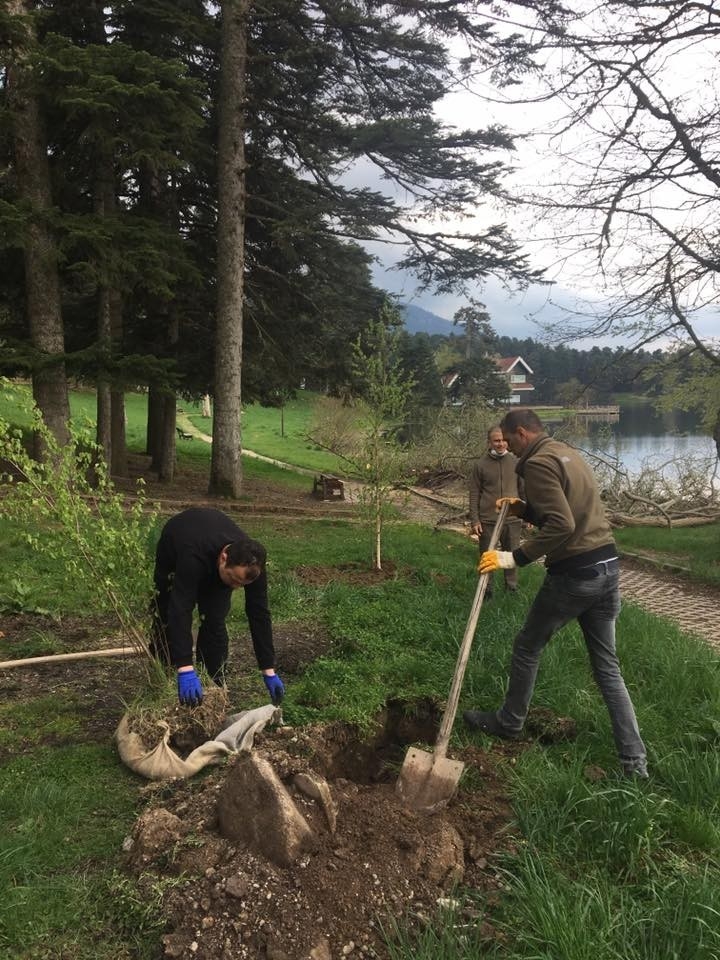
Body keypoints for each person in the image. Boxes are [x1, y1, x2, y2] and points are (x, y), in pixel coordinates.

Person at [463, 408, 648, 778]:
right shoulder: (567, 453)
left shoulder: (538, 463)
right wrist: (526, 509)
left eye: (510, 440)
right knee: (608, 668)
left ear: (521, 434)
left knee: (527, 646)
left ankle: (510, 721)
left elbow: (562, 525)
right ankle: (634, 764)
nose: (510, 448)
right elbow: (570, 510)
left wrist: (513, 558)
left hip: (576, 574)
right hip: (608, 568)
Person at [150, 507, 284, 708]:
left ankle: (213, 686)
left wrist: (268, 668)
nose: (236, 588)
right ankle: (168, 675)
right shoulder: (193, 556)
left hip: (212, 553)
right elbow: (181, 609)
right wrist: (185, 667)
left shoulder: (253, 567)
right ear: (224, 558)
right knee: (166, 612)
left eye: (241, 585)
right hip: (178, 542)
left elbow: (259, 614)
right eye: (233, 579)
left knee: (214, 620)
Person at [468, 425, 524, 598]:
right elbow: (474, 493)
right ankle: (486, 590)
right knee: (487, 557)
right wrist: (475, 520)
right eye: (496, 441)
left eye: (503, 440)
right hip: (488, 520)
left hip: (512, 519)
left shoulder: (516, 462)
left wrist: (527, 513)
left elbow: (523, 490)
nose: (500, 444)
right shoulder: (480, 465)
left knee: (512, 555)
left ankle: (511, 588)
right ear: (489, 443)